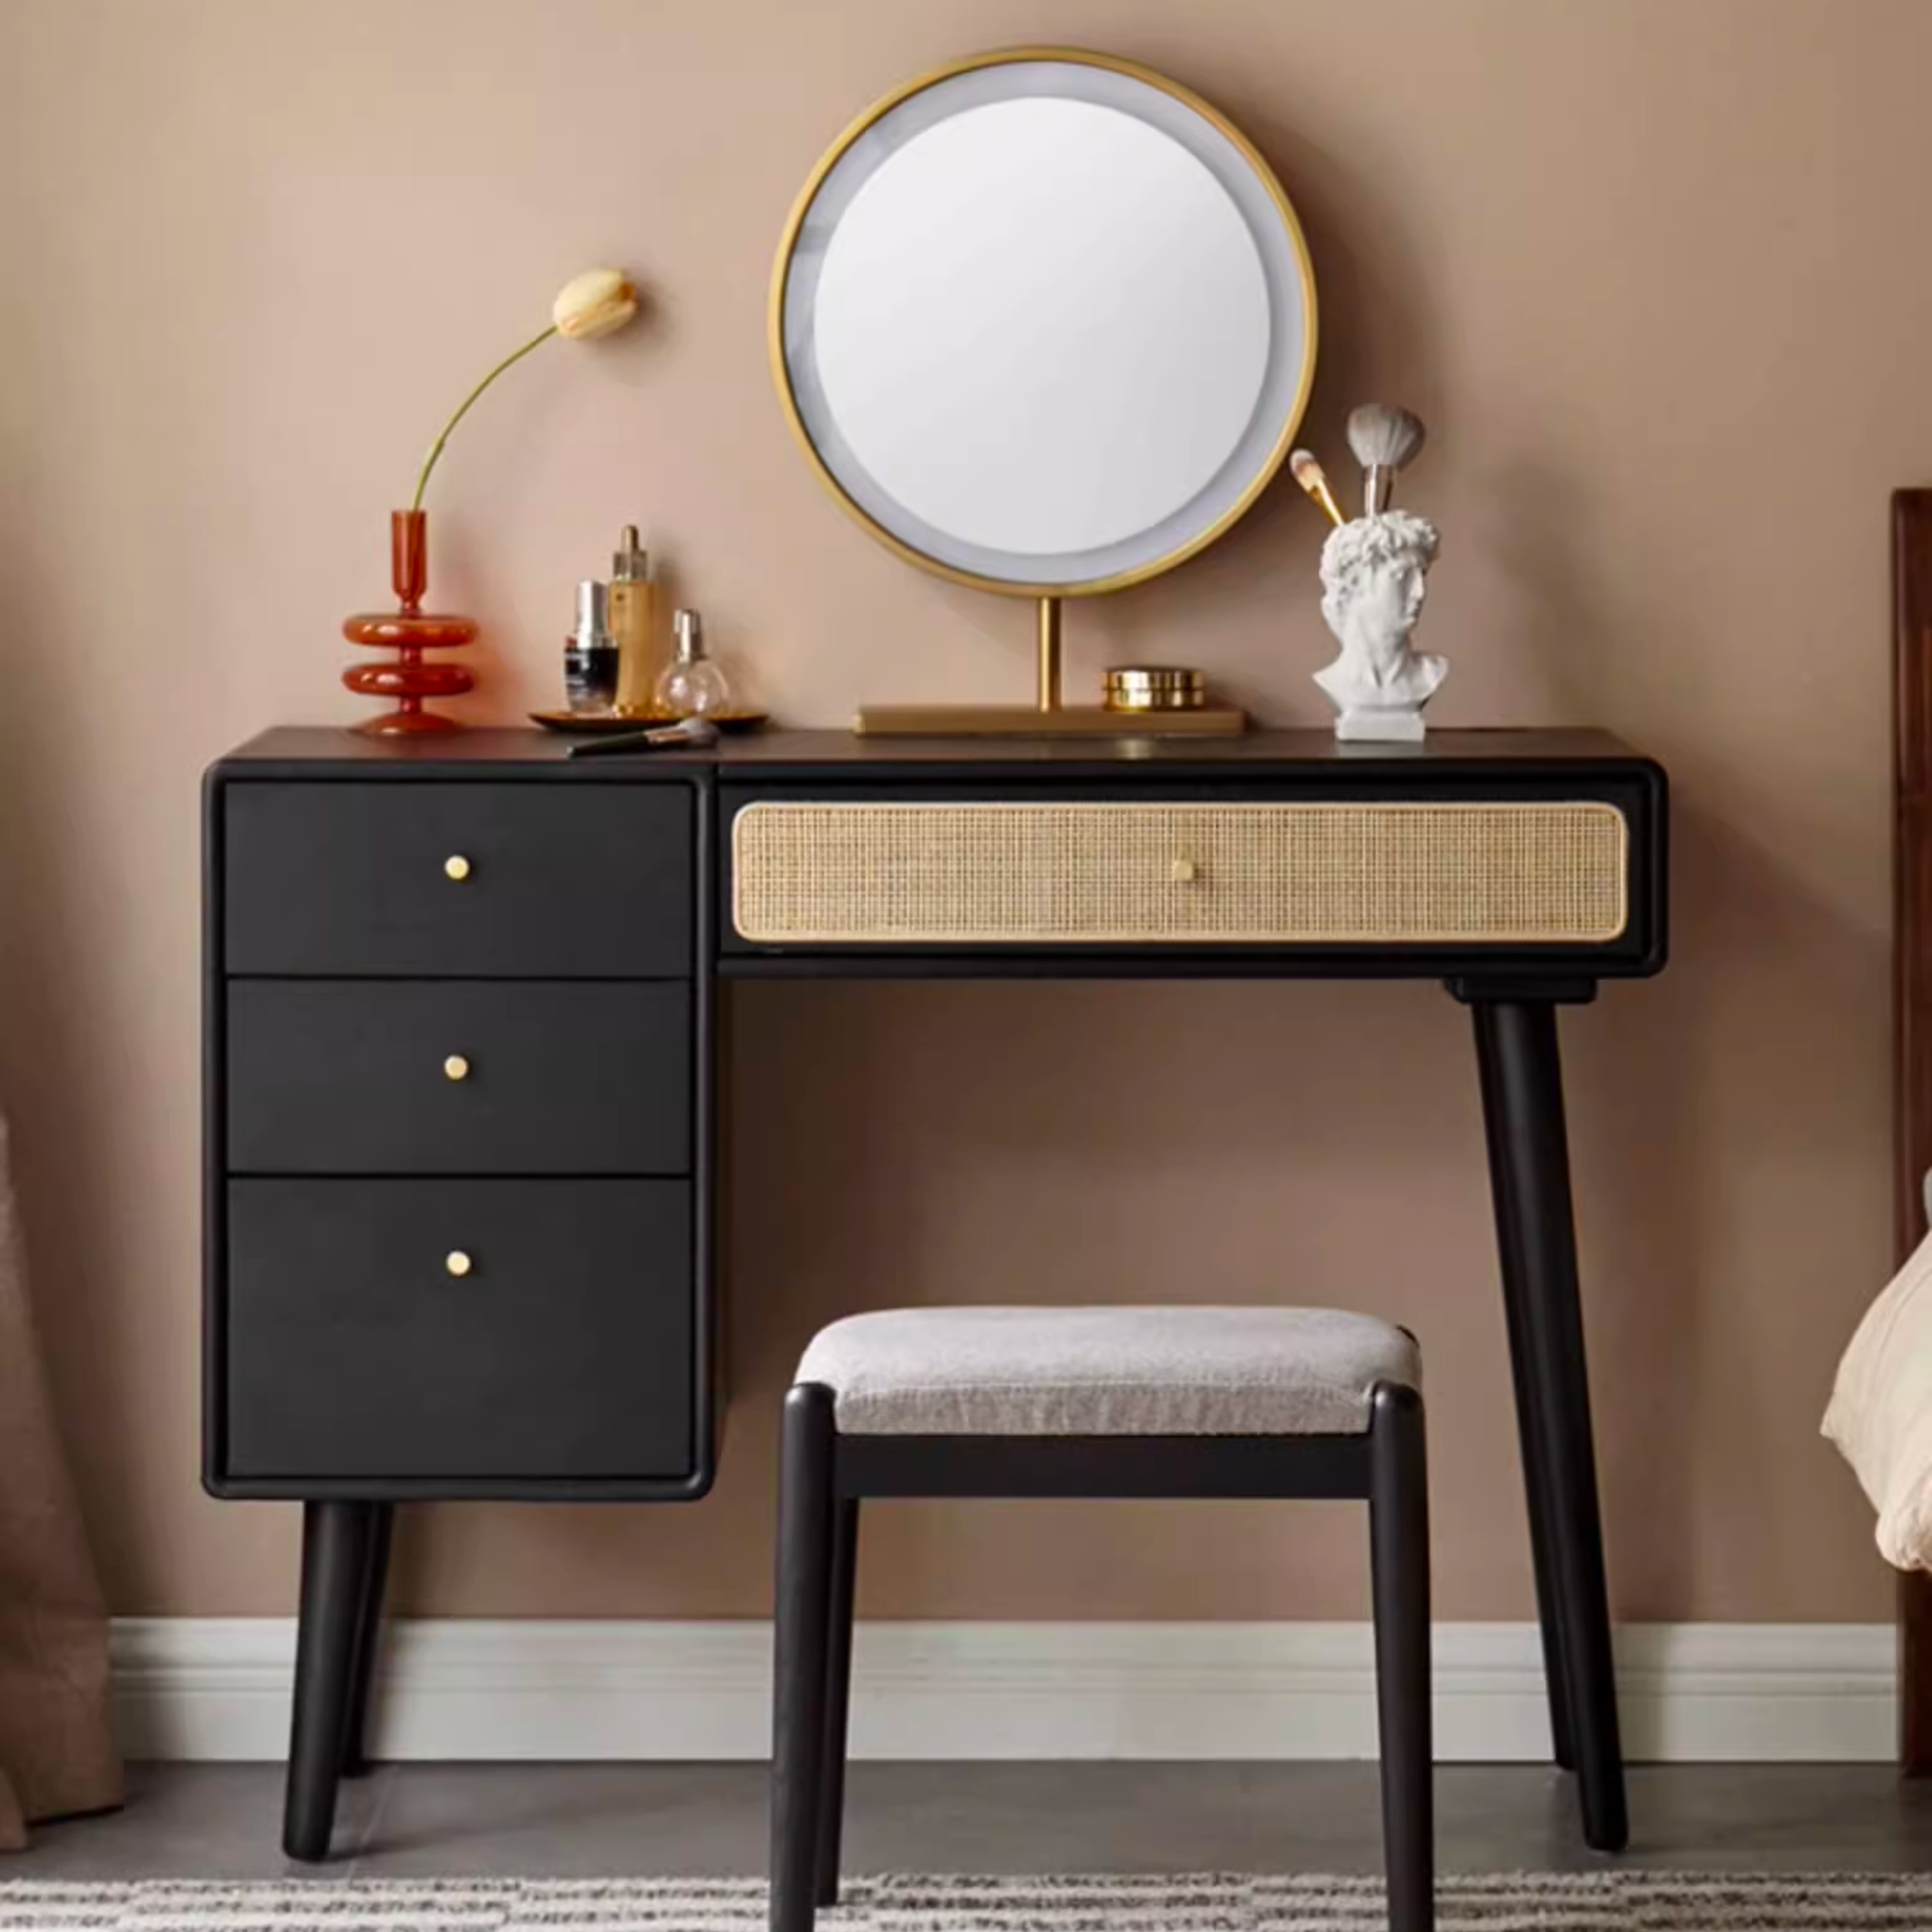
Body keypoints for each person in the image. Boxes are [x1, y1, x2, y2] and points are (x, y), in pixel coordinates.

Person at [1313, 511, 1444, 741]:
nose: (1419, 593)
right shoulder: (1334, 681)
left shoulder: (1430, 675)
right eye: (1402, 577)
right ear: (1355, 581)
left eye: (1422, 576)